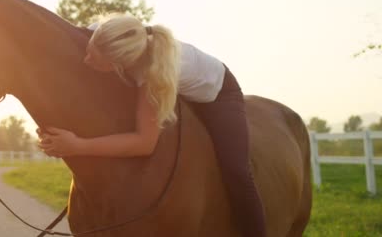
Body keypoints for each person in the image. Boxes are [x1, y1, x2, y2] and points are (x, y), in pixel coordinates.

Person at [37, 13, 266, 237]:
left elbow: (144, 143)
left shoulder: (151, 76)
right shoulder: (105, 34)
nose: (87, 60)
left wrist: (77, 146)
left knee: (237, 171)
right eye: (89, 51)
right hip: (174, 81)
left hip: (217, 94)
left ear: (119, 64)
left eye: (95, 60)